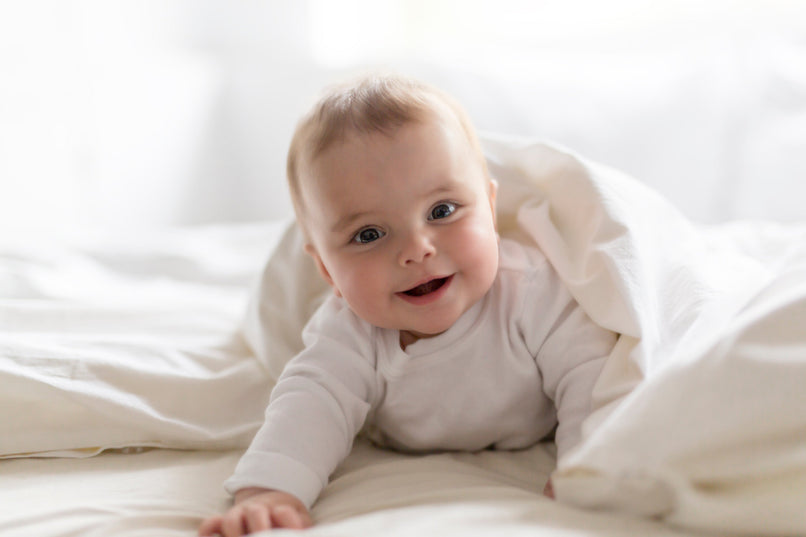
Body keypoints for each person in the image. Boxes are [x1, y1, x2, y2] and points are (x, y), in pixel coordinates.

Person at [199, 74, 617, 537]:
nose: (417, 249)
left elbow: (590, 374)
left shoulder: (531, 291)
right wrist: (270, 491)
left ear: (491, 209)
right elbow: (310, 404)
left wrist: (586, 467)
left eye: (443, 211)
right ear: (326, 271)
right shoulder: (350, 330)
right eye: (368, 235)